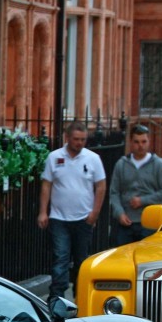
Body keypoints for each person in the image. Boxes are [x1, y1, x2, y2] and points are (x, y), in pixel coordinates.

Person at [38, 121, 106, 306]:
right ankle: (57, 297)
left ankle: (80, 293)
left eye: (83, 139)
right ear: (67, 138)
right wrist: (43, 212)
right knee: (60, 257)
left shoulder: (93, 159)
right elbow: (46, 184)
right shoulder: (54, 157)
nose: (80, 143)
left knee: (81, 259)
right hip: (59, 217)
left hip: (83, 218)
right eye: (76, 139)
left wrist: (95, 213)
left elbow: (100, 186)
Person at [109, 124, 162, 245]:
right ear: (131, 142)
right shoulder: (121, 164)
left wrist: (143, 200)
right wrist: (119, 213)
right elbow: (114, 192)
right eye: (136, 142)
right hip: (126, 221)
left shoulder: (157, 164)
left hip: (149, 223)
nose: (140, 146)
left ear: (149, 142)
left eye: (144, 141)